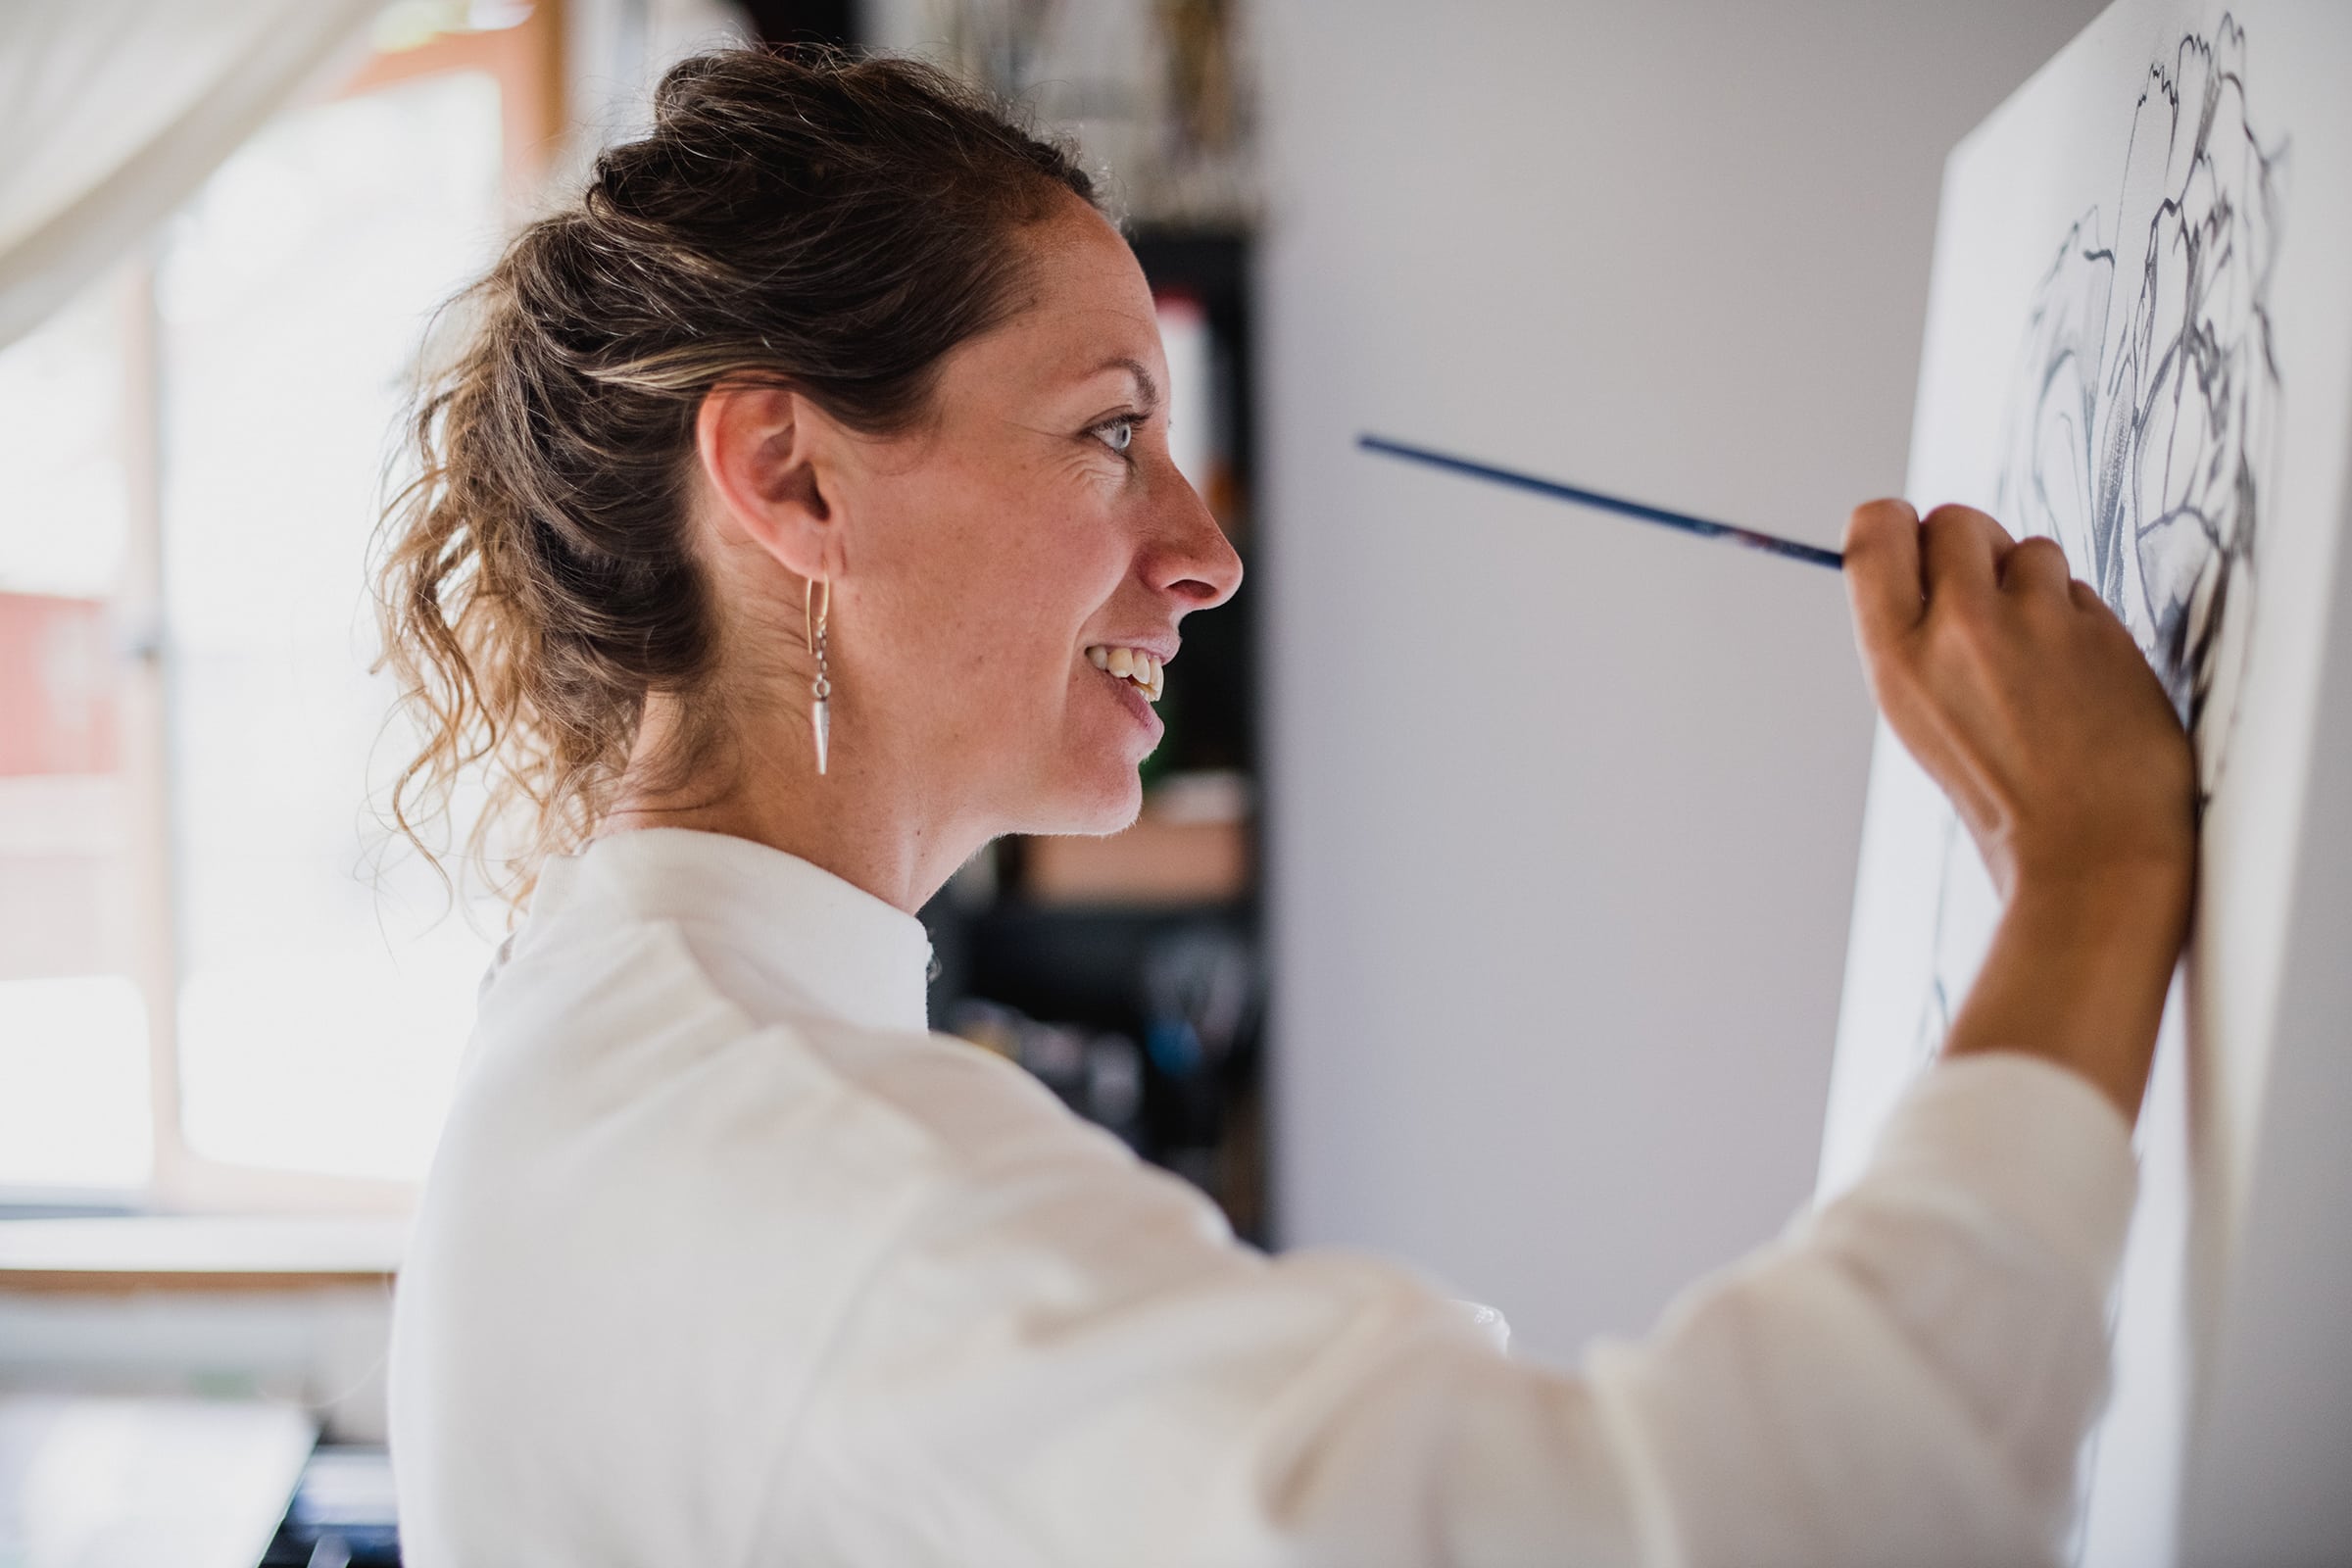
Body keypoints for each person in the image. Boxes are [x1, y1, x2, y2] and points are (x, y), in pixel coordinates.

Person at [376, 46, 2194, 1568]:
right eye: (1109, 432)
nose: (1208, 555)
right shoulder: (807, 1174)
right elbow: (1742, 1528)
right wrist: (2092, 876)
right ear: (791, 479)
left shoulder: (621, 1039)